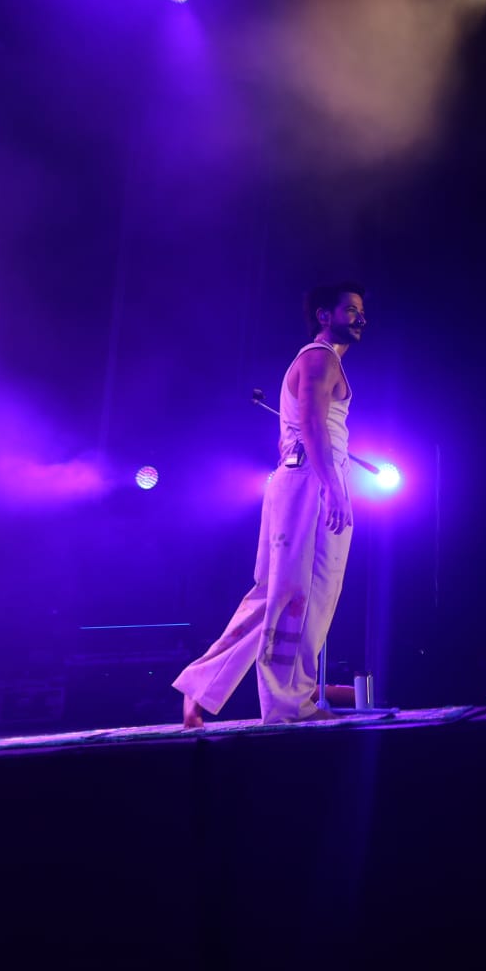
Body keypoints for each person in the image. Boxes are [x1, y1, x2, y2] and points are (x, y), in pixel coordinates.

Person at [173, 282, 366, 726]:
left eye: (361, 311)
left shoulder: (322, 359)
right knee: (303, 593)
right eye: (351, 309)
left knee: (274, 595)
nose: (360, 318)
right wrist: (332, 487)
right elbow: (313, 424)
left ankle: (201, 686)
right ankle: (289, 705)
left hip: (304, 477)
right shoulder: (319, 358)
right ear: (324, 315)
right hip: (312, 479)